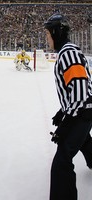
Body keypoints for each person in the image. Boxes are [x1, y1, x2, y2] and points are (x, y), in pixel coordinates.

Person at [45, 13, 92, 200]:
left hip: (83, 112)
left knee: (61, 162)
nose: (46, 39)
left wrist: (67, 123)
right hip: (84, 110)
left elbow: (80, 92)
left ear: (56, 33)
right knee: (84, 141)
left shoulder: (69, 53)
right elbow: (74, 90)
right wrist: (63, 111)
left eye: (48, 34)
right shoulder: (67, 51)